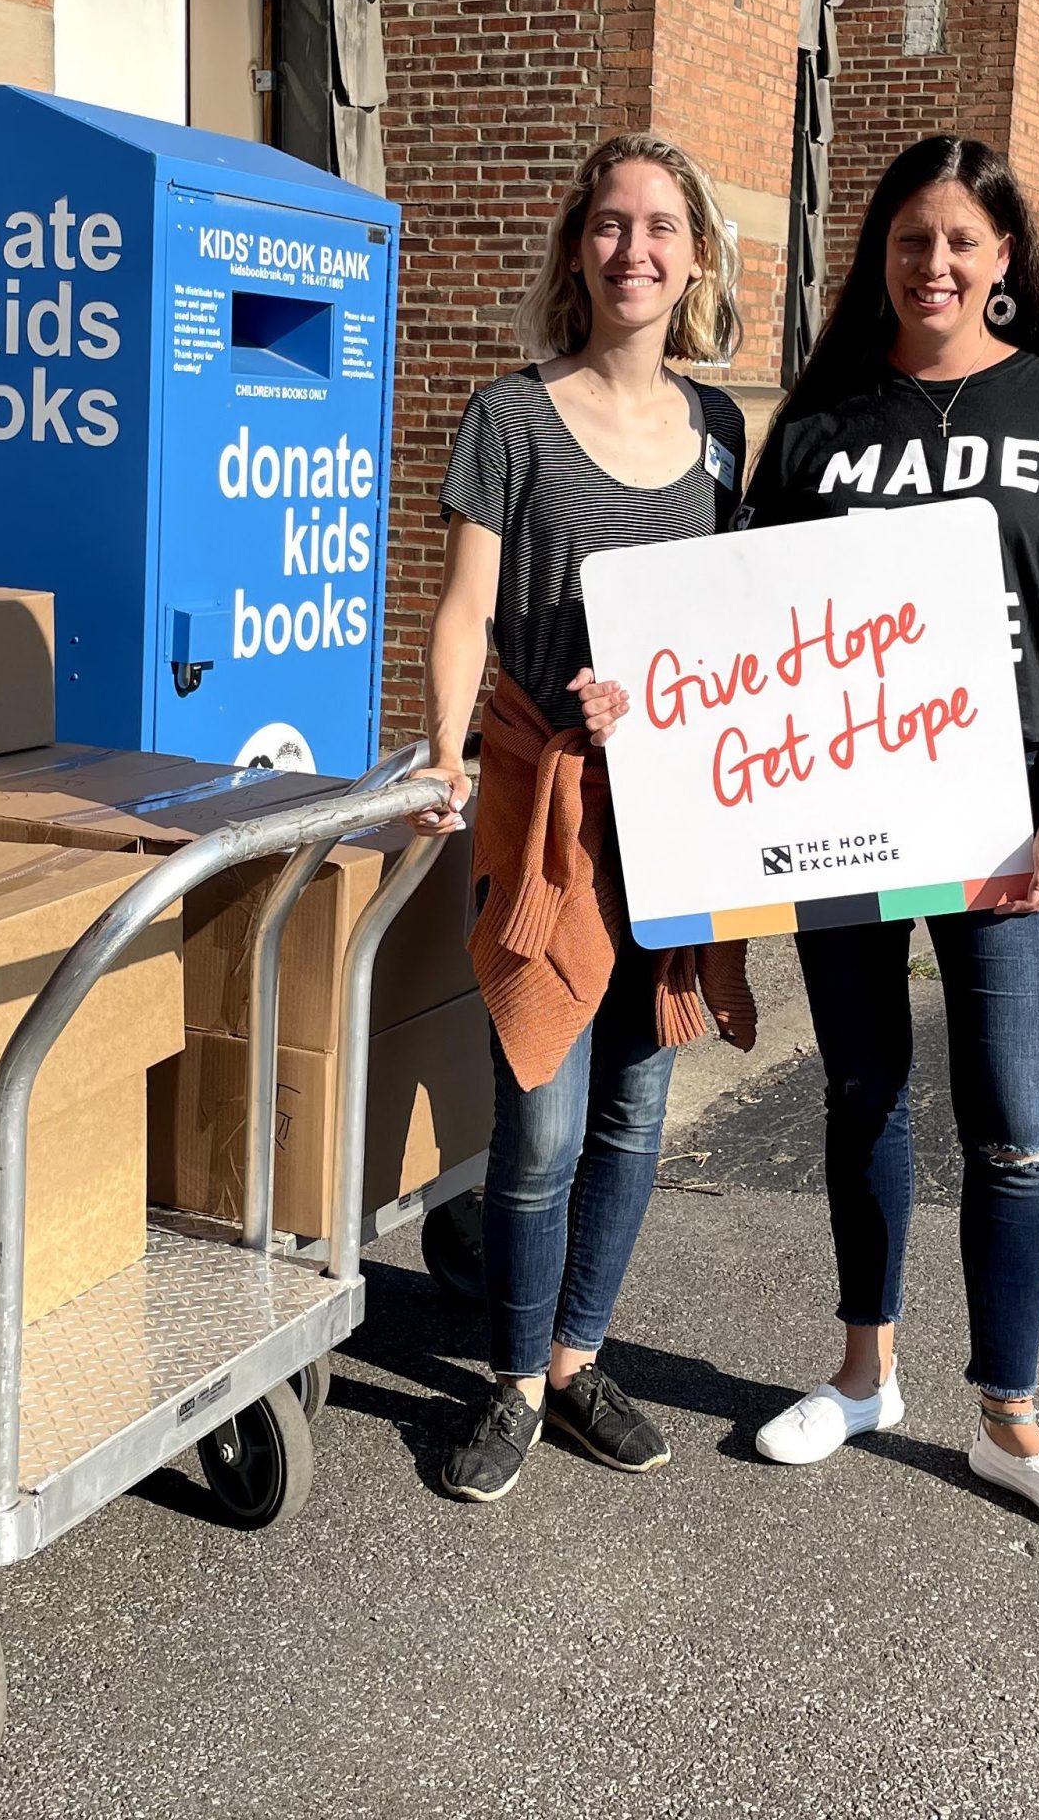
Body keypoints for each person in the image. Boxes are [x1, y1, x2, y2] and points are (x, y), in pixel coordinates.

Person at [697, 133, 1039, 1535]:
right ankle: (863, 1376)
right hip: (839, 820)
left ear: (1006, 260)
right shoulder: (821, 423)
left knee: (1012, 1131)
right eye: (913, 240)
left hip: (1004, 822)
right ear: (882, 256)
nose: (937, 264)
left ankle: (1010, 1421)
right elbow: (755, 632)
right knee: (860, 1095)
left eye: (963, 241)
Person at [414, 133, 757, 1506]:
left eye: (661, 226)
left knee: (634, 1107)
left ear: (696, 257)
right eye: (610, 225)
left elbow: (742, 632)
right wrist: (444, 752)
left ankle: (573, 1360)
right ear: (577, 248)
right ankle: (504, 1380)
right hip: (546, 802)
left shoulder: (723, 436)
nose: (635, 250)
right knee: (542, 1118)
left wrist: (673, 699)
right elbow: (465, 610)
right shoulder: (511, 417)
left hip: (671, 812)